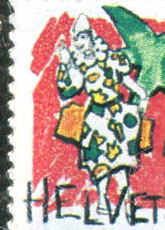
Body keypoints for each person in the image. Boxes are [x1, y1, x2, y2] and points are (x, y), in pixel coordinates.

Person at [56, 13, 147, 213]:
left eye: (83, 37)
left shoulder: (110, 59)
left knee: (121, 160)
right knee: (99, 159)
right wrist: (66, 63)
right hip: (96, 118)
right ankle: (103, 199)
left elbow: (126, 81)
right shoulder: (79, 66)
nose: (79, 43)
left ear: (91, 37)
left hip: (117, 115)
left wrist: (142, 95)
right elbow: (68, 90)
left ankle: (126, 198)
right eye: (76, 39)